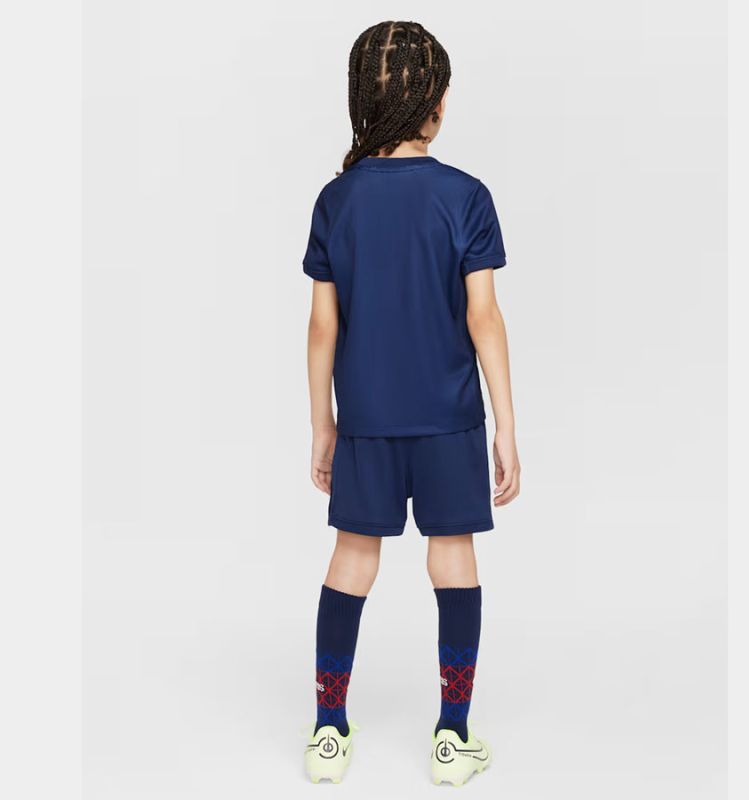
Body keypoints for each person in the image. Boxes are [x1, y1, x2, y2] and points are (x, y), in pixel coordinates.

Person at [302, 20, 520, 787]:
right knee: (452, 558)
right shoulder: (465, 196)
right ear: (436, 102)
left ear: (362, 97)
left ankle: (329, 732)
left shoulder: (337, 200)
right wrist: (506, 427)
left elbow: (322, 326)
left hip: (365, 418)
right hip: (450, 416)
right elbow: (483, 316)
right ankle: (452, 737)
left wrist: (323, 425)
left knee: (351, 559)